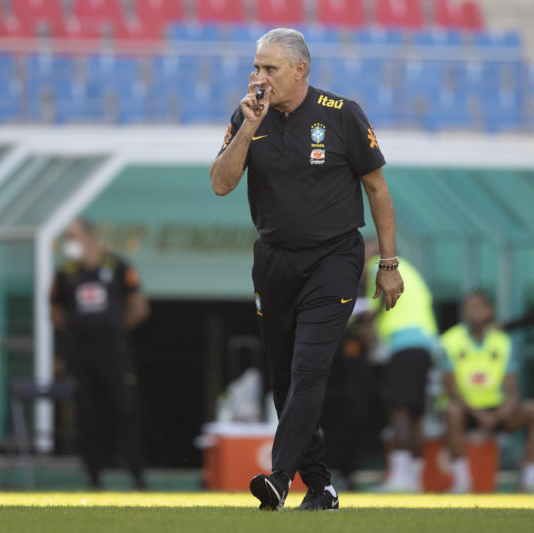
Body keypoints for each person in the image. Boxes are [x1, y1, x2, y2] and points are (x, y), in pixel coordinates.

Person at [209, 27, 403, 511]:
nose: (259, 77)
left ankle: (277, 478)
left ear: (300, 70)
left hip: (334, 257)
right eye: (256, 67)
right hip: (273, 258)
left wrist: (388, 263)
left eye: (269, 68)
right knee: (282, 379)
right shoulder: (247, 115)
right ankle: (320, 488)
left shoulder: (342, 115)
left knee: (309, 367)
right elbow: (220, 183)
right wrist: (249, 128)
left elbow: (378, 189)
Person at [50, 218, 150, 489]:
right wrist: (72, 337)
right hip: (81, 356)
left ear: (90, 237)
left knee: (125, 410)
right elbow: (56, 313)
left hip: (114, 354)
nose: (70, 243)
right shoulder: (65, 274)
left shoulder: (117, 267)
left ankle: (136, 475)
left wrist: (115, 329)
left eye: (74, 236)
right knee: (86, 415)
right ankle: (94, 477)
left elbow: (139, 307)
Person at [441, 290, 534, 493]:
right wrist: (479, 415)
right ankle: (462, 480)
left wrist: (499, 414)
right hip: (468, 411)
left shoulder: (502, 341)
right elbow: (450, 387)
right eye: (470, 307)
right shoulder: (451, 339)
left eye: (480, 307)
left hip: (496, 410)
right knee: (452, 411)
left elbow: (512, 388)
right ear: (463, 312)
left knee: (531, 410)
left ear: (490, 311)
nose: (475, 312)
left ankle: (529, 477)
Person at [363, 241, 439, 492]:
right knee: (414, 412)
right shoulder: (405, 267)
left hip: (404, 345)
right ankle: (413, 478)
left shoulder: (379, 268)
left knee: (400, 410)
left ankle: (401, 479)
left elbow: (371, 318)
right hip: (423, 344)